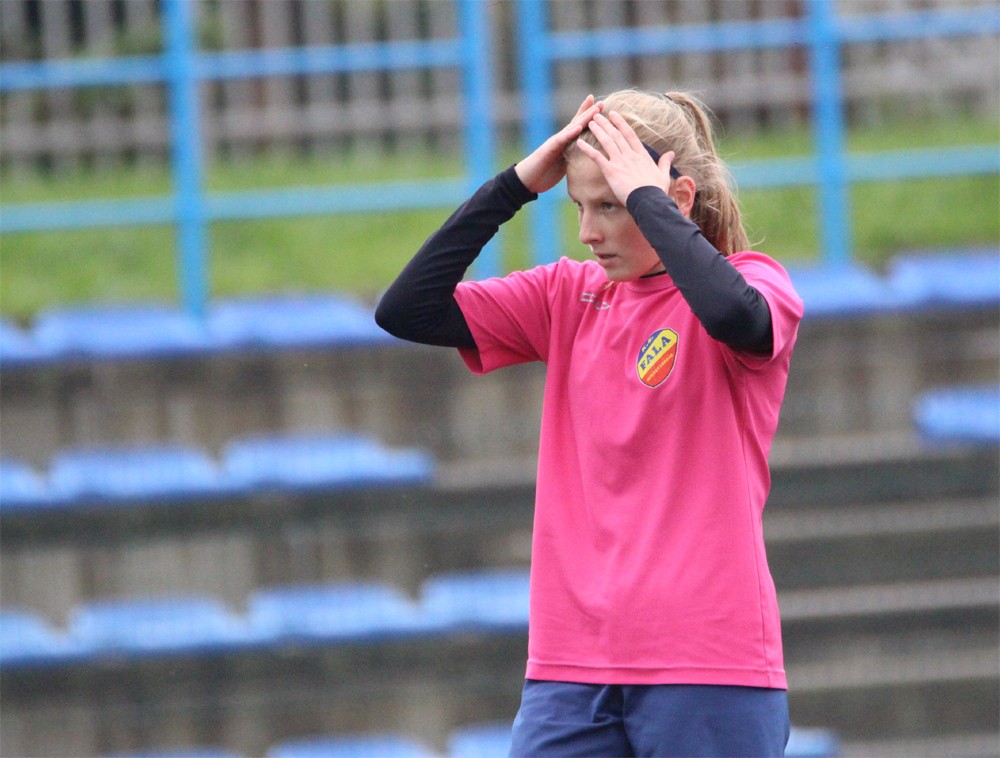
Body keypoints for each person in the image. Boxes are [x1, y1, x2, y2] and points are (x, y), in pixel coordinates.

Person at [376, 88, 804, 757]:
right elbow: (407, 309)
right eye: (579, 205)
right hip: (570, 665)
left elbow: (734, 315)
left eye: (610, 206)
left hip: (708, 662)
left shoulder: (755, 284)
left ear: (677, 199)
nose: (587, 232)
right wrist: (516, 186)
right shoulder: (567, 296)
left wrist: (649, 200)